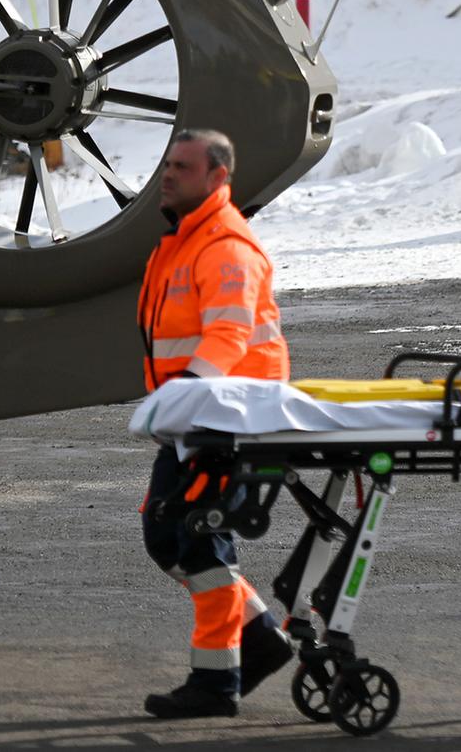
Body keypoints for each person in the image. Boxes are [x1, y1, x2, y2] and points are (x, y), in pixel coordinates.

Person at [136, 129, 297, 719]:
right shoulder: (179, 244)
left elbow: (228, 336)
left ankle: (215, 685)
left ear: (218, 178)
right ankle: (257, 642)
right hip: (192, 420)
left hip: (225, 419)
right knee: (166, 537)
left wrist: (180, 395)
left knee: (200, 542)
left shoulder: (227, 246)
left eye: (182, 166)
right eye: (166, 165)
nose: (168, 175)